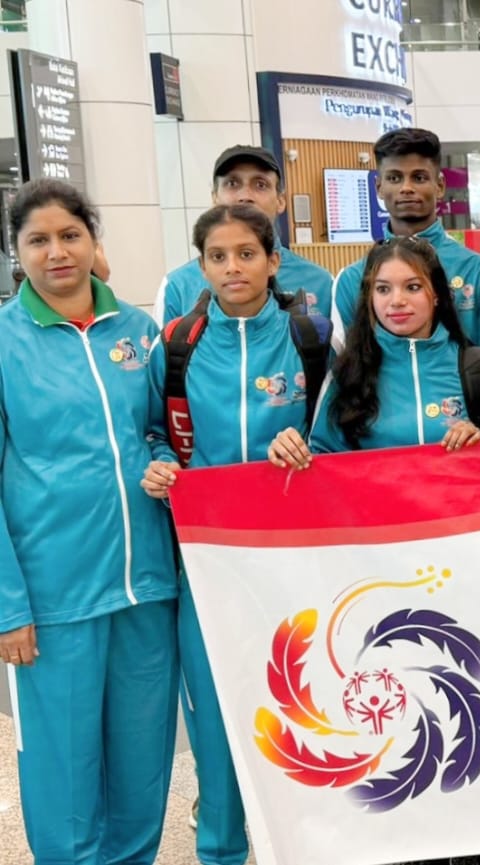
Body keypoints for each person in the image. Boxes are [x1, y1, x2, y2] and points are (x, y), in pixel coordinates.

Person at [141, 203, 335, 865]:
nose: (233, 267)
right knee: (219, 722)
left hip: (293, 562)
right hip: (207, 562)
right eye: (218, 256)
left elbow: (339, 436)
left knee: (302, 706)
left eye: (247, 253)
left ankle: (310, 846)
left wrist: (305, 446)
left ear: (273, 260)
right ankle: (221, 850)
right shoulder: (178, 344)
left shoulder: (310, 337)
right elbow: (150, 434)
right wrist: (159, 464)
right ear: (201, 265)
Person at [0, 180, 179, 865]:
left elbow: (158, 431)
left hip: (145, 588)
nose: (57, 252)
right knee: (64, 780)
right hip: (54, 601)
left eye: (70, 235)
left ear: (93, 241)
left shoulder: (135, 331)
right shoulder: (6, 341)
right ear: (17, 252)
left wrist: (161, 462)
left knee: (142, 772)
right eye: (37, 240)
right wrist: (9, 603)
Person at [264, 238, 480, 462]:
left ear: (436, 295)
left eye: (413, 287)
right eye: (383, 289)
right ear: (370, 298)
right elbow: (322, 460)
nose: (397, 300)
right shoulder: (346, 374)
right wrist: (291, 451)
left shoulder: (476, 368)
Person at [332, 128, 480, 353]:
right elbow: (342, 370)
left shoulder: (479, 271)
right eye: (394, 178)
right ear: (379, 188)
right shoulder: (351, 279)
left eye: (419, 177)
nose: (406, 188)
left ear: (440, 186)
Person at [154, 145, 333, 325]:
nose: (245, 196)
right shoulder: (177, 287)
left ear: (280, 201)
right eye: (232, 183)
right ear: (214, 197)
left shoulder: (321, 283)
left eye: (260, 185)